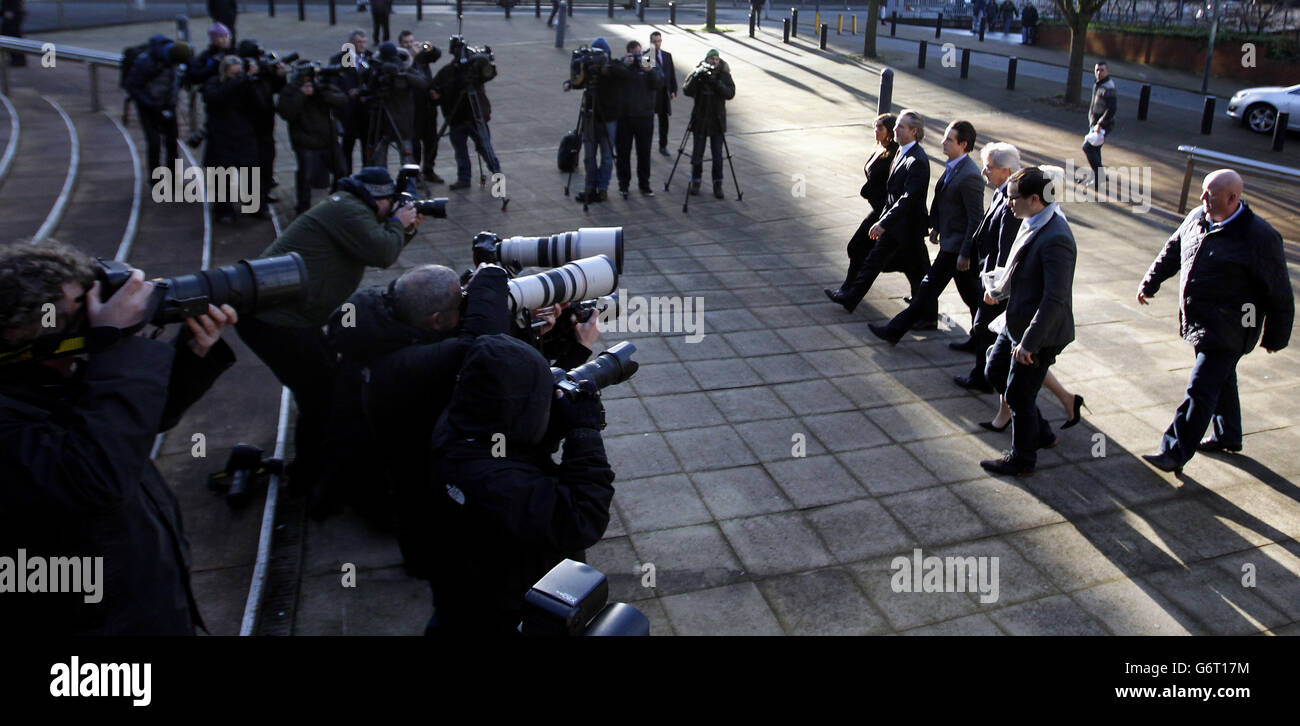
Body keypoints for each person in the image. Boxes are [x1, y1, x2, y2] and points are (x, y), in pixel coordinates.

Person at [0, 241, 238, 635]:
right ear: (22, 331)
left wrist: (192, 353)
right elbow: (96, 475)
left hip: (142, 600)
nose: (96, 315)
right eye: (83, 308)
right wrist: (118, 345)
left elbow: (121, 432)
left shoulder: (46, 376)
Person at [235, 167, 424, 501]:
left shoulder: (349, 206)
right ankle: (308, 480)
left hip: (284, 318)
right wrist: (397, 223)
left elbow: (380, 251)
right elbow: (381, 250)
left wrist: (403, 228)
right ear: (378, 199)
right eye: (391, 203)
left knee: (326, 391)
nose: (393, 208)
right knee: (321, 397)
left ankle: (314, 470)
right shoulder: (348, 209)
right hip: (277, 321)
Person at [326, 263, 509, 584]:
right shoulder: (402, 364)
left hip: (379, 435)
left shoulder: (376, 310)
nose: (464, 309)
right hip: (405, 451)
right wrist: (491, 277)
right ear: (436, 321)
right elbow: (478, 346)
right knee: (415, 501)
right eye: (459, 305)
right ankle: (423, 565)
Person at [427, 333, 615, 635]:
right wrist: (585, 433)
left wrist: (553, 418)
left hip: (461, 582)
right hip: (507, 603)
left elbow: (512, 440)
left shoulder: (460, 421)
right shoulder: (496, 484)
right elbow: (581, 518)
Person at [1137, 170, 1293, 473]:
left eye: (1210, 193)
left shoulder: (1259, 237)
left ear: (1232, 198)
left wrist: (1275, 337)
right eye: (1203, 191)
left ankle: (1174, 451)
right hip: (1200, 321)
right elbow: (1174, 249)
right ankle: (1228, 435)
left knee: (1200, 389)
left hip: (1232, 328)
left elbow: (1279, 292)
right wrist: (1150, 282)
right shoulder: (1198, 217)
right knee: (1222, 380)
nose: (1201, 198)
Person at [978, 166, 1076, 477]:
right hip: (1015, 320)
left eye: (1013, 198)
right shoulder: (1032, 220)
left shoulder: (1056, 238)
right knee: (994, 371)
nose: (1008, 203)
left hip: (1039, 333)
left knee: (1019, 394)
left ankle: (1022, 459)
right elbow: (1018, 268)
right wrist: (999, 291)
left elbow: (1054, 299)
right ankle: (1042, 433)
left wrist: (1029, 344)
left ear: (1035, 199)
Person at [868, 120, 984, 346]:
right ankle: (981, 339)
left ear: (963, 144)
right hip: (951, 243)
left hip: (957, 248)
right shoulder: (954, 166)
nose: (943, 142)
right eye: (945, 137)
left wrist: (965, 253)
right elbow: (946, 202)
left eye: (949, 139)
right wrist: (937, 227)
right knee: (971, 297)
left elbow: (975, 219)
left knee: (927, 288)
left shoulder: (970, 175)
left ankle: (894, 330)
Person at [830, 109, 933, 323]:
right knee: (878, 262)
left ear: (914, 131)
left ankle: (928, 316)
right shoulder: (901, 151)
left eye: (901, 126)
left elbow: (908, 198)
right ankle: (851, 298)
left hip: (907, 225)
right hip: (896, 223)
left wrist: (882, 222)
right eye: (897, 125)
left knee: (918, 270)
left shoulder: (918, 160)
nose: (896, 128)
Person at [826, 114, 898, 311]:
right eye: (875, 127)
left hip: (884, 210)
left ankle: (848, 290)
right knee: (912, 261)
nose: (876, 131)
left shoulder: (894, 153)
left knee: (856, 247)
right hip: (877, 207)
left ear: (890, 131)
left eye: (880, 128)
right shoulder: (879, 148)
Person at [434, 35, 504, 192]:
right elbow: (435, 91)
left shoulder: (474, 69)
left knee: (486, 150)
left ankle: (499, 182)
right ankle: (464, 178)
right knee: (461, 151)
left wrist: (483, 61)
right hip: (456, 118)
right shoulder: (447, 72)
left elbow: (490, 73)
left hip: (475, 117)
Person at [277, 62, 348, 215]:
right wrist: (302, 94)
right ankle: (303, 208)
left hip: (328, 140)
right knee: (306, 176)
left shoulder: (322, 87)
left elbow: (342, 99)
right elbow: (286, 112)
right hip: (306, 142)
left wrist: (323, 93)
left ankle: (337, 202)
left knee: (341, 171)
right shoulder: (292, 89)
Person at [201, 55, 263, 224]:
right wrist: (238, 82)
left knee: (250, 172)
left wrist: (249, 83)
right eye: (233, 74)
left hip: (244, 133)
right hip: (221, 135)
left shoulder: (246, 85)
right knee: (222, 175)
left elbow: (259, 104)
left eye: (239, 73)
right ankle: (224, 210)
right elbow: (215, 97)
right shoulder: (214, 83)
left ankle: (253, 205)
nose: (237, 77)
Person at [563, 37, 626, 204]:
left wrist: (606, 67)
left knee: (606, 157)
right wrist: (571, 81)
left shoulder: (614, 66)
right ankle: (590, 187)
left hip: (608, 118)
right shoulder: (590, 68)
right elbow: (577, 81)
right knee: (589, 156)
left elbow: (623, 72)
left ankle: (603, 188)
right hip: (590, 116)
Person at [125, 35, 192, 173]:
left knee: (172, 141)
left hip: (168, 105)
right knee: (154, 143)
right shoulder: (147, 62)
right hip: (149, 108)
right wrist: (150, 104)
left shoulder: (174, 59)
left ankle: (173, 175)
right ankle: (155, 179)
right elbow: (133, 86)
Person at [362, 40, 427, 167]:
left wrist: (402, 75)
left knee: (407, 160)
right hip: (381, 124)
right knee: (379, 159)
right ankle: (382, 184)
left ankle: (409, 184)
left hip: (401, 123)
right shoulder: (378, 69)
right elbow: (368, 86)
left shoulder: (404, 69)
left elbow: (423, 84)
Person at [683, 49, 735, 199]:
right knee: (697, 154)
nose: (714, 62)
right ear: (706, 60)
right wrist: (697, 75)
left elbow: (730, 93)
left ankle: (717, 184)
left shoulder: (724, 74)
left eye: (716, 59)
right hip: (700, 119)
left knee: (717, 155)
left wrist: (717, 83)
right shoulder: (699, 72)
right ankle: (696, 181)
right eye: (711, 59)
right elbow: (687, 90)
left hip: (717, 121)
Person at [615, 41, 663, 198]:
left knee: (644, 153)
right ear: (628, 53)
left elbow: (659, 82)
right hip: (625, 117)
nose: (638, 57)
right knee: (623, 153)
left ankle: (645, 184)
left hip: (645, 116)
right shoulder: (623, 64)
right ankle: (624, 185)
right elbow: (614, 78)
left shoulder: (648, 61)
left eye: (639, 53)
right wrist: (625, 65)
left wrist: (649, 71)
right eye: (634, 54)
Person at [401, 30, 444, 183]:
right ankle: (416, 173)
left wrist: (430, 47)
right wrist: (411, 55)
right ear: (401, 44)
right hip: (412, 108)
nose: (410, 45)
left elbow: (437, 54)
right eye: (406, 42)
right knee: (415, 143)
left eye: (411, 41)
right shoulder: (401, 57)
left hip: (428, 105)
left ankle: (429, 170)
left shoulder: (422, 56)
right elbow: (402, 69)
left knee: (432, 140)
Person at [331, 30, 372, 176]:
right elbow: (334, 85)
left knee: (367, 148)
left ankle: (366, 176)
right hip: (347, 112)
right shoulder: (339, 59)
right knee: (346, 148)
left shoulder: (370, 57)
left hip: (366, 113)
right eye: (358, 42)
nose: (362, 45)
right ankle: (345, 177)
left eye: (364, 42)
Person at [1082, 61, 1116, 192]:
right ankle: (1099, 176)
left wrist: (1100, 124)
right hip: (1095, 123)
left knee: (1087, 147)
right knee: (1095, 150)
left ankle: (1098, 178)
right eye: (1096, 70)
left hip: (1102, 125)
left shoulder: (1108, 87)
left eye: (1102, 70)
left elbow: (1111, 109)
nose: (1098, 73)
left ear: (1107, 71)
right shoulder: (1098, 84)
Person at [649, 32, 677, 157]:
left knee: (664, 122)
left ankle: (663, 146)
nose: (656, 44)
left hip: (664, 94)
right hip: (652, 94)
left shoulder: (667, 55)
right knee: (649, 123)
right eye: (654, 41)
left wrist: (673, 90)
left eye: (658, 41)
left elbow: (671, 74)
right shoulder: (647, 56)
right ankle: (647, 146)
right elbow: (645, 77)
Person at [185, 22, 232, 89]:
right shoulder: (206, 55)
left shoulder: (233, 52)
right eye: (221, 37)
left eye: (227, 36)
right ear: (213, 40)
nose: (225, 40)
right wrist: (214, 65)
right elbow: (196, 75)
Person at [2, 0, 24, 67]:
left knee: (14, 38)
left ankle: (18, 60)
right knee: (12, 38)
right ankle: (16, 59)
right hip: (12, 17)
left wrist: (9, 12)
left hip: (12, 18)